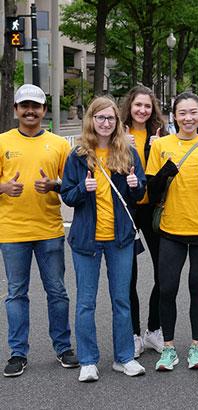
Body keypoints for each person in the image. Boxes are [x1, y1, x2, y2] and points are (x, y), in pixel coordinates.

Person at [61, 96, 147, 382]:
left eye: (110, 118)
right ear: (91, 120)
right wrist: (83, 189)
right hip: (87, 240)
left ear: (117, 122)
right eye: (100, 118)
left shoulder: (127, 153)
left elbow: (138, 193)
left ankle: (124, 357)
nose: (106, 123)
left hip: (119, 238)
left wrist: (136, 186)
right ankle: (87, 360)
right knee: (86, 301)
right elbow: (68, 195)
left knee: (121, 299)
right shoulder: (77, 156)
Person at [0, 84, 79, 377]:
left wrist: (54, 185)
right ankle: (18, 353)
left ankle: (63, 347)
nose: (30, 111)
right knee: (16, 293)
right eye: (25, 106)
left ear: (44, 110)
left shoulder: (59, 145)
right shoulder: (2, 142)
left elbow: (71, 186)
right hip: (11, 232)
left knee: (57, 291)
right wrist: (5, 187)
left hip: (49, 230)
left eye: (36, 106)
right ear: (16, 110)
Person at [145, 92, 198, 371]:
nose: (188, 118)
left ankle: (194, 347)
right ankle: (168, 348)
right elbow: (151, 191)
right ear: (174, 116)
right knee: (167, 288)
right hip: (171, 228)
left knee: (197, 289)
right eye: (182, 113)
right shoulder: (161, 146)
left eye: (193, 112)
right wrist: (165, 173)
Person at [120, 85, 167, 358]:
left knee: (164, 272)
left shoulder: (160, 133)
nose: (142, 110)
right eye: (138, 105)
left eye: (147, 106)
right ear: (130, 106)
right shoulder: (118, 131)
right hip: (128, 208)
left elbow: (167, 172)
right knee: (129, 275)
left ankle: (154, 329)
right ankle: (134, 334)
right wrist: (125, 148)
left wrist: (155, 150)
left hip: (154, 209)